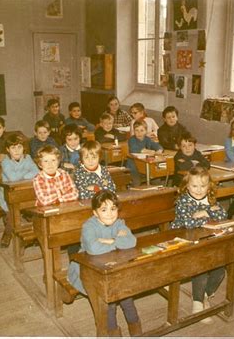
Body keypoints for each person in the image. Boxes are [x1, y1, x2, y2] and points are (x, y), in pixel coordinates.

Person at [68, 190, 142, 336]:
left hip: (112, 267)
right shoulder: (89, 226)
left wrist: (109, 241)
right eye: (104, 209)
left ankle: (135, 327)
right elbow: (93, 249)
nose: (109, 213)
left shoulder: (119, 224)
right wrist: (117, 242)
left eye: (113, 209)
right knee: (109, 300)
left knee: (126, 295)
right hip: (87, 270)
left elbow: (131, 241)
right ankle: (113, 331)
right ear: (95, 212)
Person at [170, 166, 227, 324]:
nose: (199, 190)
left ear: (209, 186)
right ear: (187, 185)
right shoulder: (183, 201)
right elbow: (188, 223)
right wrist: (209, 214)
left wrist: (204, 213)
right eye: (194, 186)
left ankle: (206, 294)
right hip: (182, 239)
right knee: (201, 266)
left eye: (203, 186)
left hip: (205, 238)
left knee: (220, 270)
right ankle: (197, 302)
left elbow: (223, 214)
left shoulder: (210, 199)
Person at [0, 134, 39, 248]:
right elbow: (12, 178)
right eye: (13, 148)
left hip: (26, 194)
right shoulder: (5, 162)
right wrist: (27, 174)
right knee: (12, 217)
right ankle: (7, 234)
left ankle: (37, 235)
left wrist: (22, 175)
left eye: (19, 147)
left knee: (38, 212)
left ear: (23, 148)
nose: (16, 151)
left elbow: (36, 172)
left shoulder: (28, 158)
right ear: (7, 150)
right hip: (8, 197)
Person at [127, 120, 163, 186]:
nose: (139, 133)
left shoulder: (147, 139)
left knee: (157, 180)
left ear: (146, 131)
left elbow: (157, 146)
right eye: (136, 130)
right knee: (136, 183)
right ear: (133, 131)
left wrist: (159, 150)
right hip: (134, 167)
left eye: (142, 130)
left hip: (146, 165)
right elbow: (133, 149)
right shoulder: (132, 139)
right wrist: (144, 150)